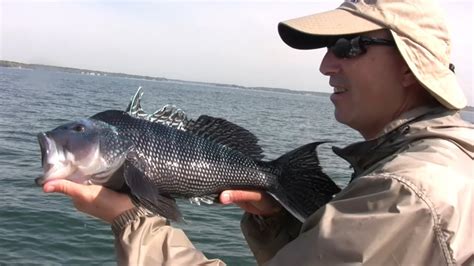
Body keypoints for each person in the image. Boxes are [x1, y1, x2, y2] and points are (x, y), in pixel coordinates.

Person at [42, 0, 473, 265]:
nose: (326, 65)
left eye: (350, 46)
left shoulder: (407, 193)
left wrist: (130, 219)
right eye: (328, 50)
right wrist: (279, 220)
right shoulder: (440, 166)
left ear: (410, 66)